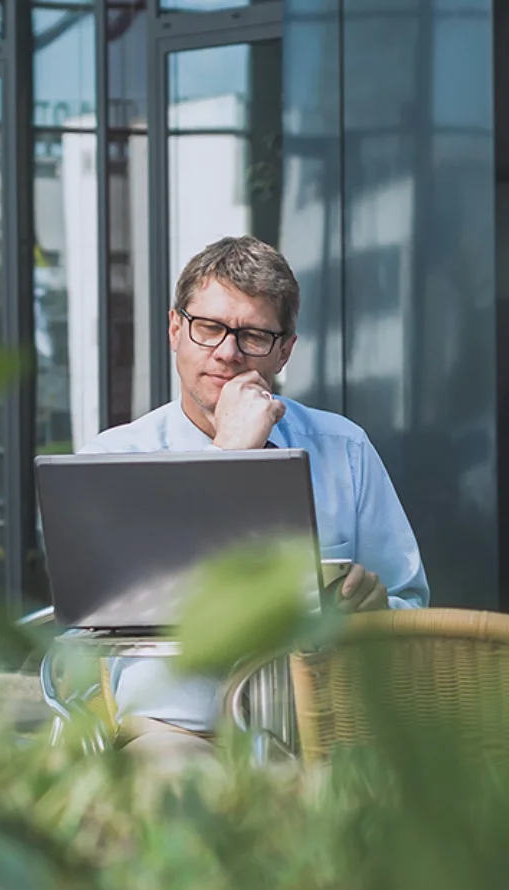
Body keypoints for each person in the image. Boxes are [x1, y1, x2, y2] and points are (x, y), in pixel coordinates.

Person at [79, 235, 429, 762]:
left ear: (285, 350)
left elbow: (412, 603)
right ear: (176, 330)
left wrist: (379, 609)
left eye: (253, 336)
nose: (227, 351)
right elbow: (112, 617)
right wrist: (229, 454)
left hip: (328, 736)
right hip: (179, 734)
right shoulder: (114, 457)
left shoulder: (344, 448)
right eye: (209, 328)